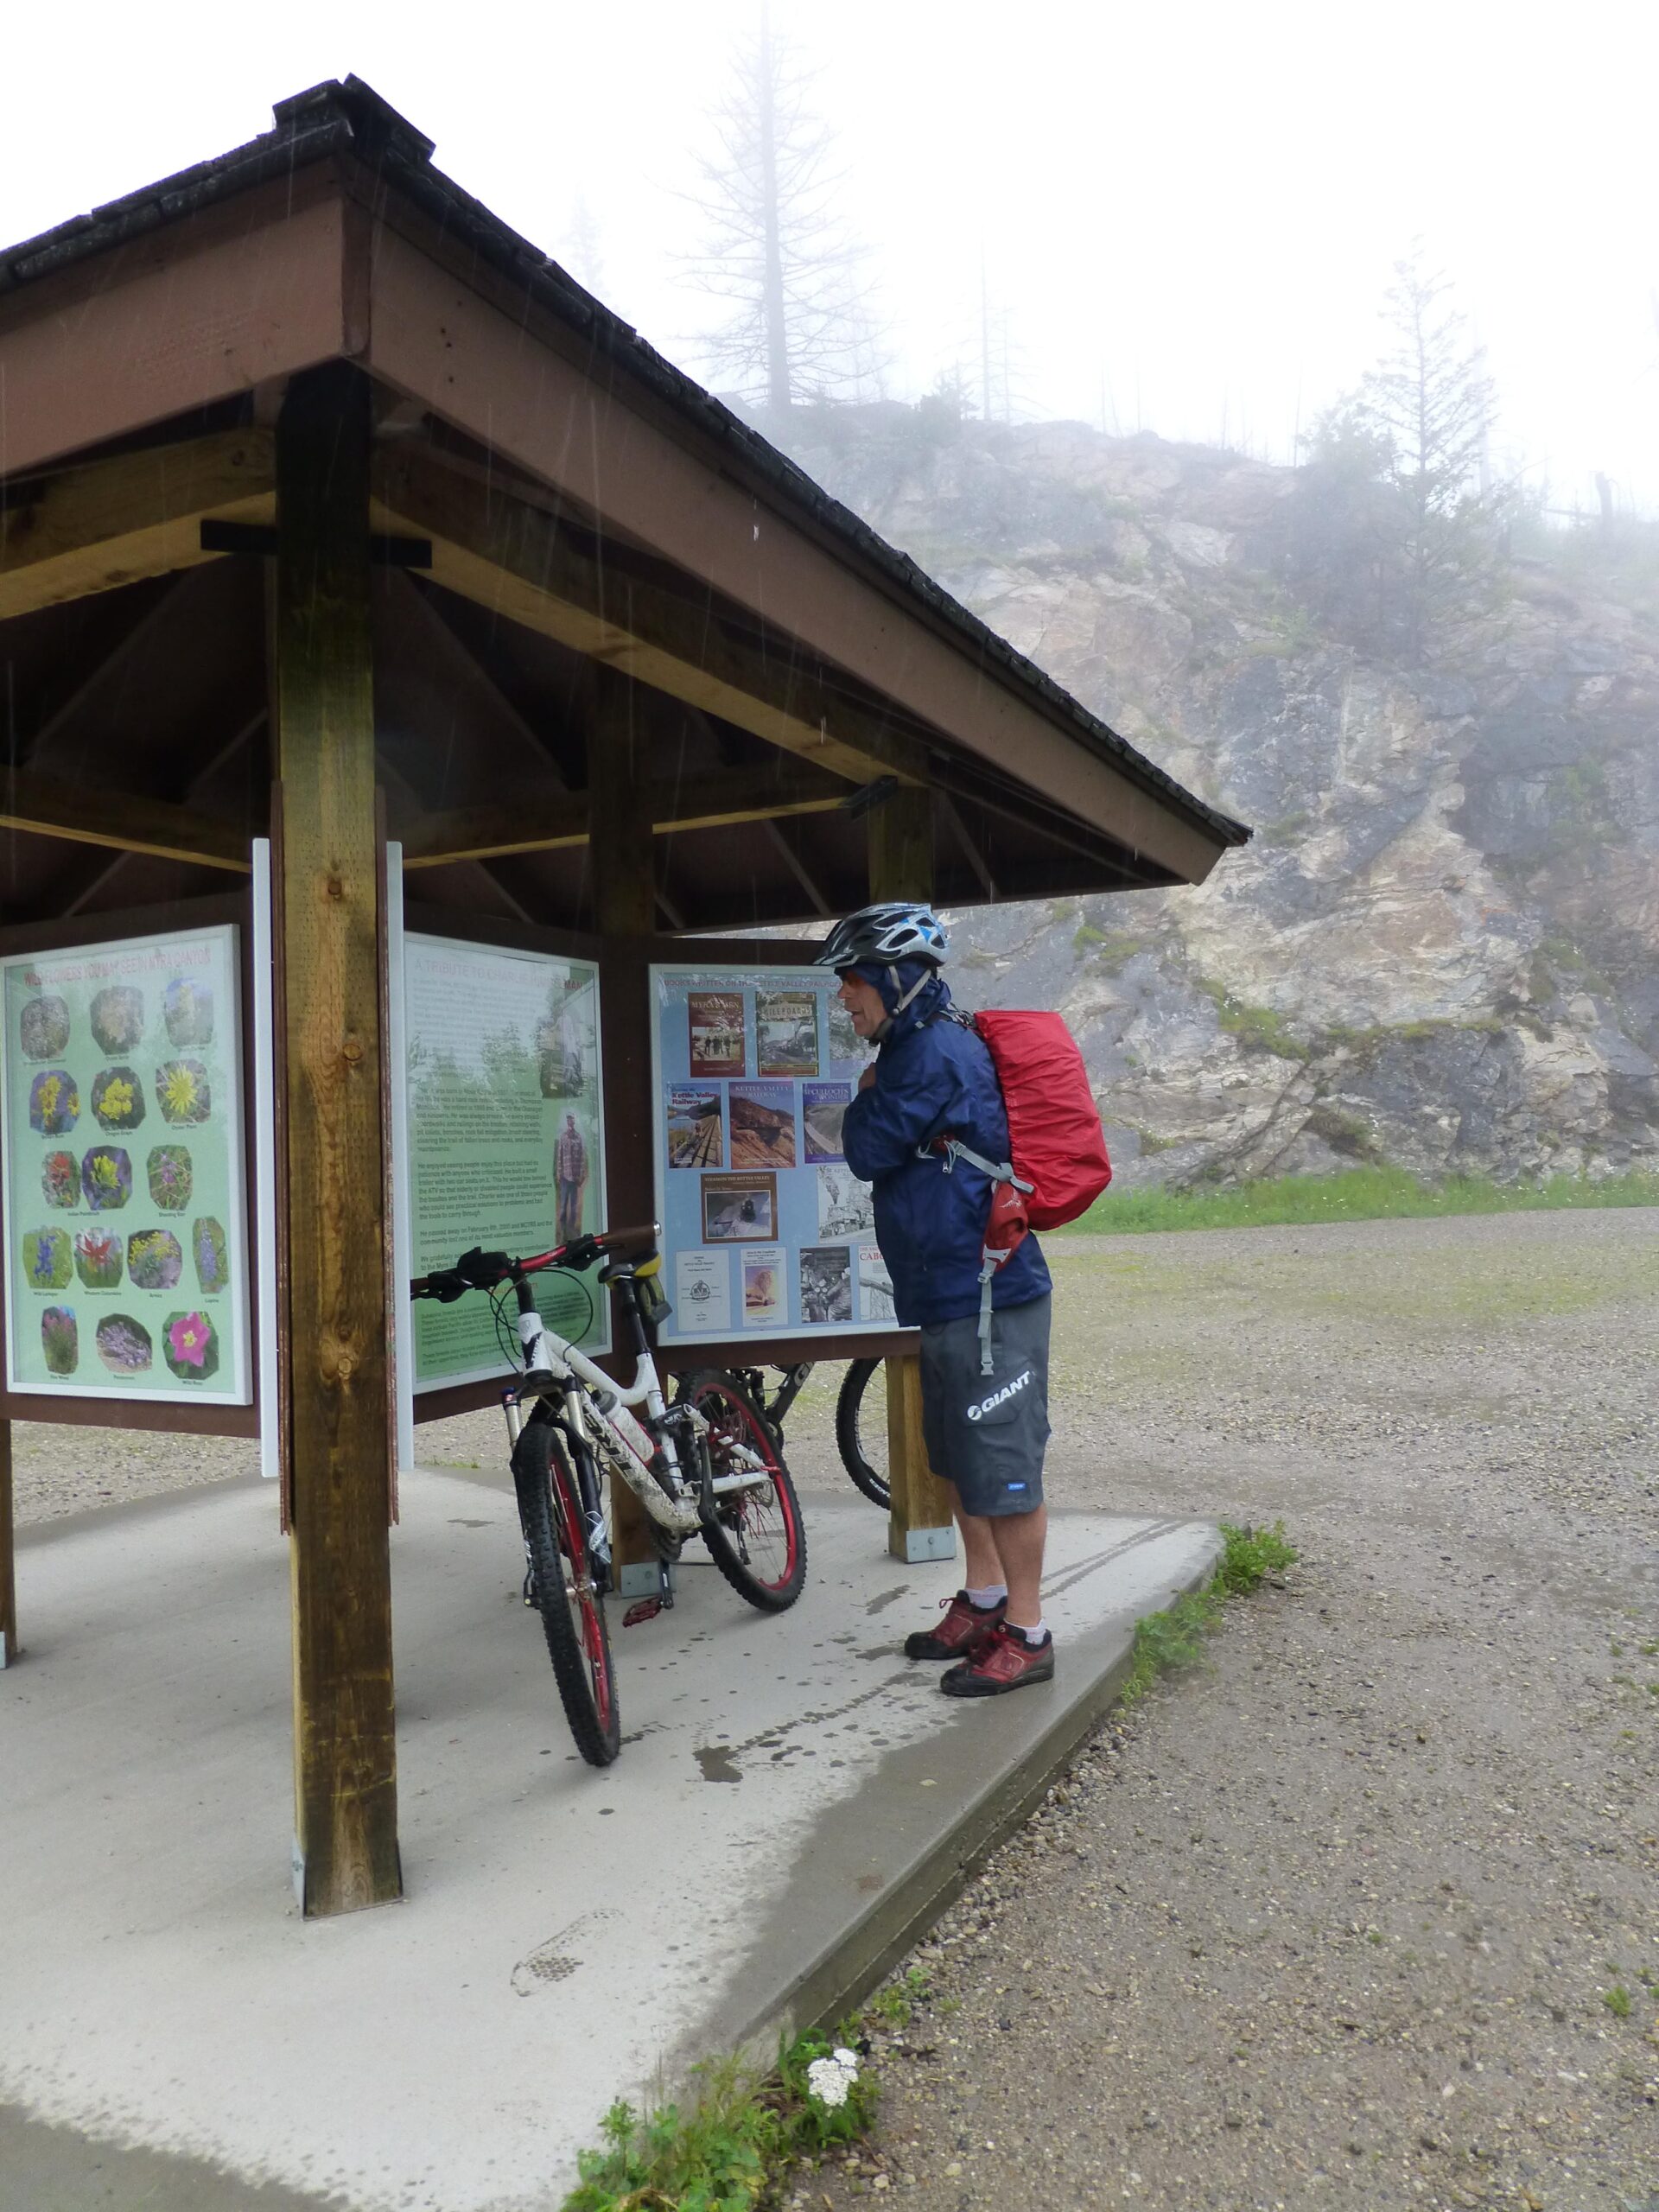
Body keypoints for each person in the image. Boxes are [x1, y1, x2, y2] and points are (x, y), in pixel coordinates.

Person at [822, 901, 1056, 1695]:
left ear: (896, 979)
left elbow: (863, 1148)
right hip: (950, 1295)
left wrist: (866, 1094)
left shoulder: (930, 1055)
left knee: (1004, 1465)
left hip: (992, 1297)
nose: (844, 999)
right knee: (955, 1457)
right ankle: (986, 1596)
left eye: (852, 983)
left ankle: (1028, 1630)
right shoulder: (912, 1050)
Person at [555, 1112, 588, 1243]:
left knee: (573, 1207)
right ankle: (563, 1232)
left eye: (572, 1120)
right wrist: (558, 1172)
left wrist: (581, 1175)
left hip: (575, 1178)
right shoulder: (563, 1137)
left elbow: (581, 1158)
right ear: (567, 1122)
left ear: (574, 1122)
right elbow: (559, 1156)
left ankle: (572, 1233)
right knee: (563, 1206)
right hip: (564, 1177)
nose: (570, 1122)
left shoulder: (578, 1138)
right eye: (568, 1119)